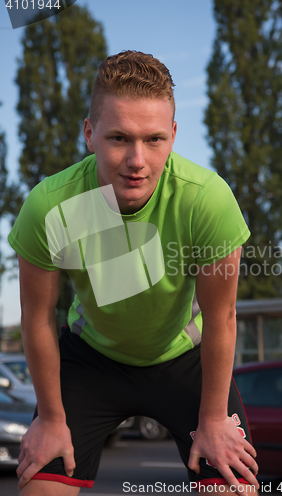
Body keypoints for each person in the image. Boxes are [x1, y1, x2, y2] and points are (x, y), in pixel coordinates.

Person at [8, 50, 259, 496]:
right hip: (91, 361)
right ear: (89, 133)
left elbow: (221, 319)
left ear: (174, 135)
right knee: (38, 489)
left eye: (155, 139)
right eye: (119, 138)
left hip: (184, 359)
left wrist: (215, 420)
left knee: (234, 489)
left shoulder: (207, 200)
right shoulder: (49, 207)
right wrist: (49, 418)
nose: (137, 160)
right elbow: (38, 318)